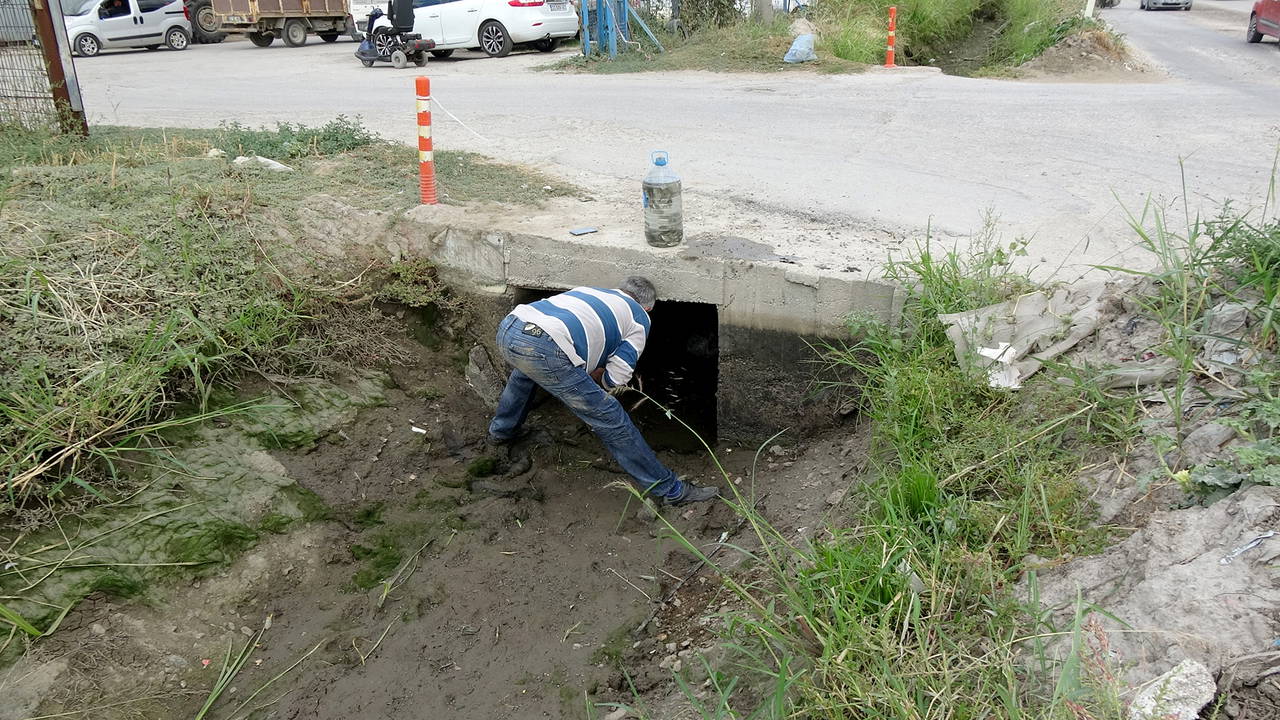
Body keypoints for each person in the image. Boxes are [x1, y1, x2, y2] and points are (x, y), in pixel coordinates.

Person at [487, 277, 719, 507]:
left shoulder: (591, 290)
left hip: (512, 326)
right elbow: (616, 378)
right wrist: (601, 377)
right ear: (649, 307)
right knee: (610, 417)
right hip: (546, 346)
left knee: (523, 376)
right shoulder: (640, 317)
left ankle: (501, 433)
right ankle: (671, 490)